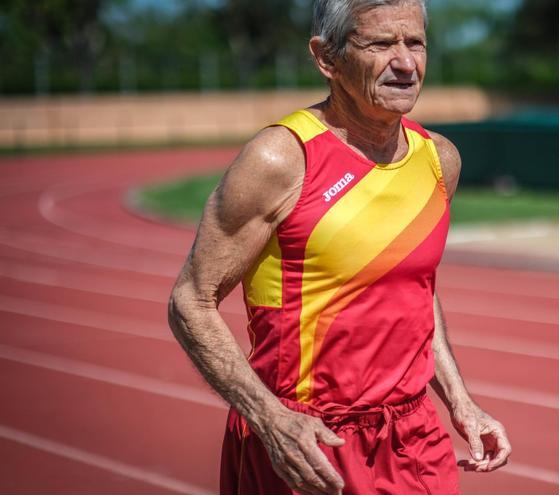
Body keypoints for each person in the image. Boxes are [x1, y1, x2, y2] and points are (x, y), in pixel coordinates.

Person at [167, 0, 511, 493]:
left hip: (414, 437)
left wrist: (460, 400)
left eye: (415, 43)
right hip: (307, 439)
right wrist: (270, 419)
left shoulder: (439, 160)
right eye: (380, 44)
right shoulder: (279, 159)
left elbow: (414, 291)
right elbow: (191, 302)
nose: (406, 63)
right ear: (326, 59)